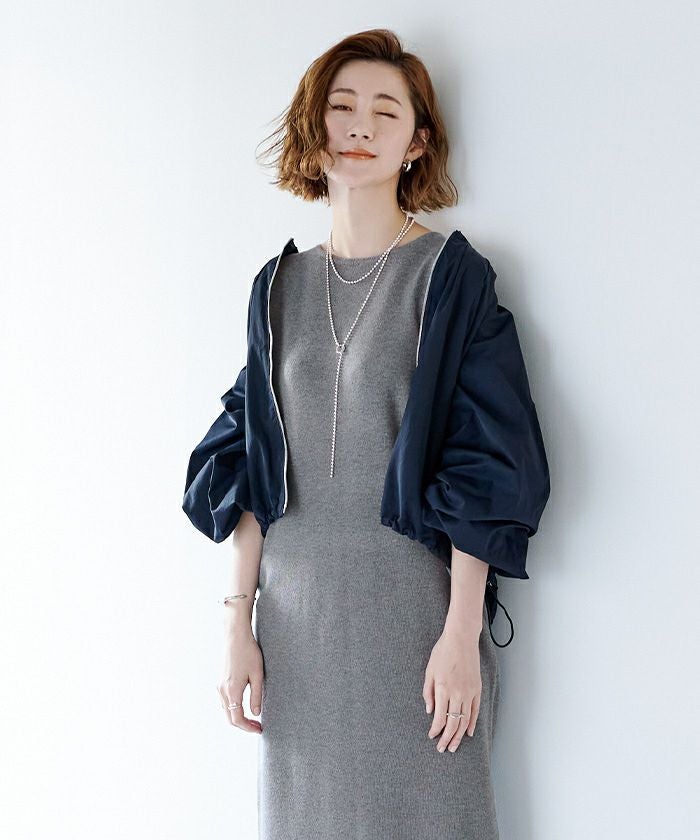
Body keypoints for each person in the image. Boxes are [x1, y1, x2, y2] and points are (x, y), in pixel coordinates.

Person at [182, 28, 550, 840]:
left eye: (386, 111)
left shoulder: (449, 277)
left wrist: (461, 634)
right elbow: (249, 470)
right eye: (341, 106)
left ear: (416, 142)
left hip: (417, 624)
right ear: (313, 130)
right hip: (298, 629)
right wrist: (238, 624)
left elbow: (487, 464)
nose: (359, 125)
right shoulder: (276, 289)